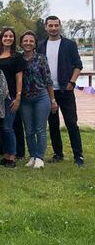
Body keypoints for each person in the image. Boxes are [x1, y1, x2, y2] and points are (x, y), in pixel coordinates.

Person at [37, 16, 84, 166]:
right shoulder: (41, 45)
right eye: (50, 25)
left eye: (56, 25)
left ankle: (78, 156)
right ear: (46, 27)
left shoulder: (69, 45)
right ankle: (58, 153)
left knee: (71, 123)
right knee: (53, 124)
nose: (53, 28)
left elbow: (78, 65)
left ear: (60, 26)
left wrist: (72, 82)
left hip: (66, 90)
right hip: (48, 91)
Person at [20, 31, 57, 169]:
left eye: (31, 41)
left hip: (41, 97)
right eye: (25, 40)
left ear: (35, 43)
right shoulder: (18, 58)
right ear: (21, 42)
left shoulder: (41, 58)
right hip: (25, 99)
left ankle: (40, 158)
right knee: (28, 130)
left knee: (40, 129)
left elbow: (48, 80)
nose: (28, 43)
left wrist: (52, 100)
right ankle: (33, 156)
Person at [0, 27, 25, 168]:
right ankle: (5, 155)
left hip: (10, 96)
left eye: (10, 36)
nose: (8, 38)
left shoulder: (17, 57)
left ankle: (12, 157)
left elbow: (19, 78)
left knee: (8, 127)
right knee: (1, 127)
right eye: (5, 36)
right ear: (1, 39)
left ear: (14, 39)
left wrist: (18, 97)